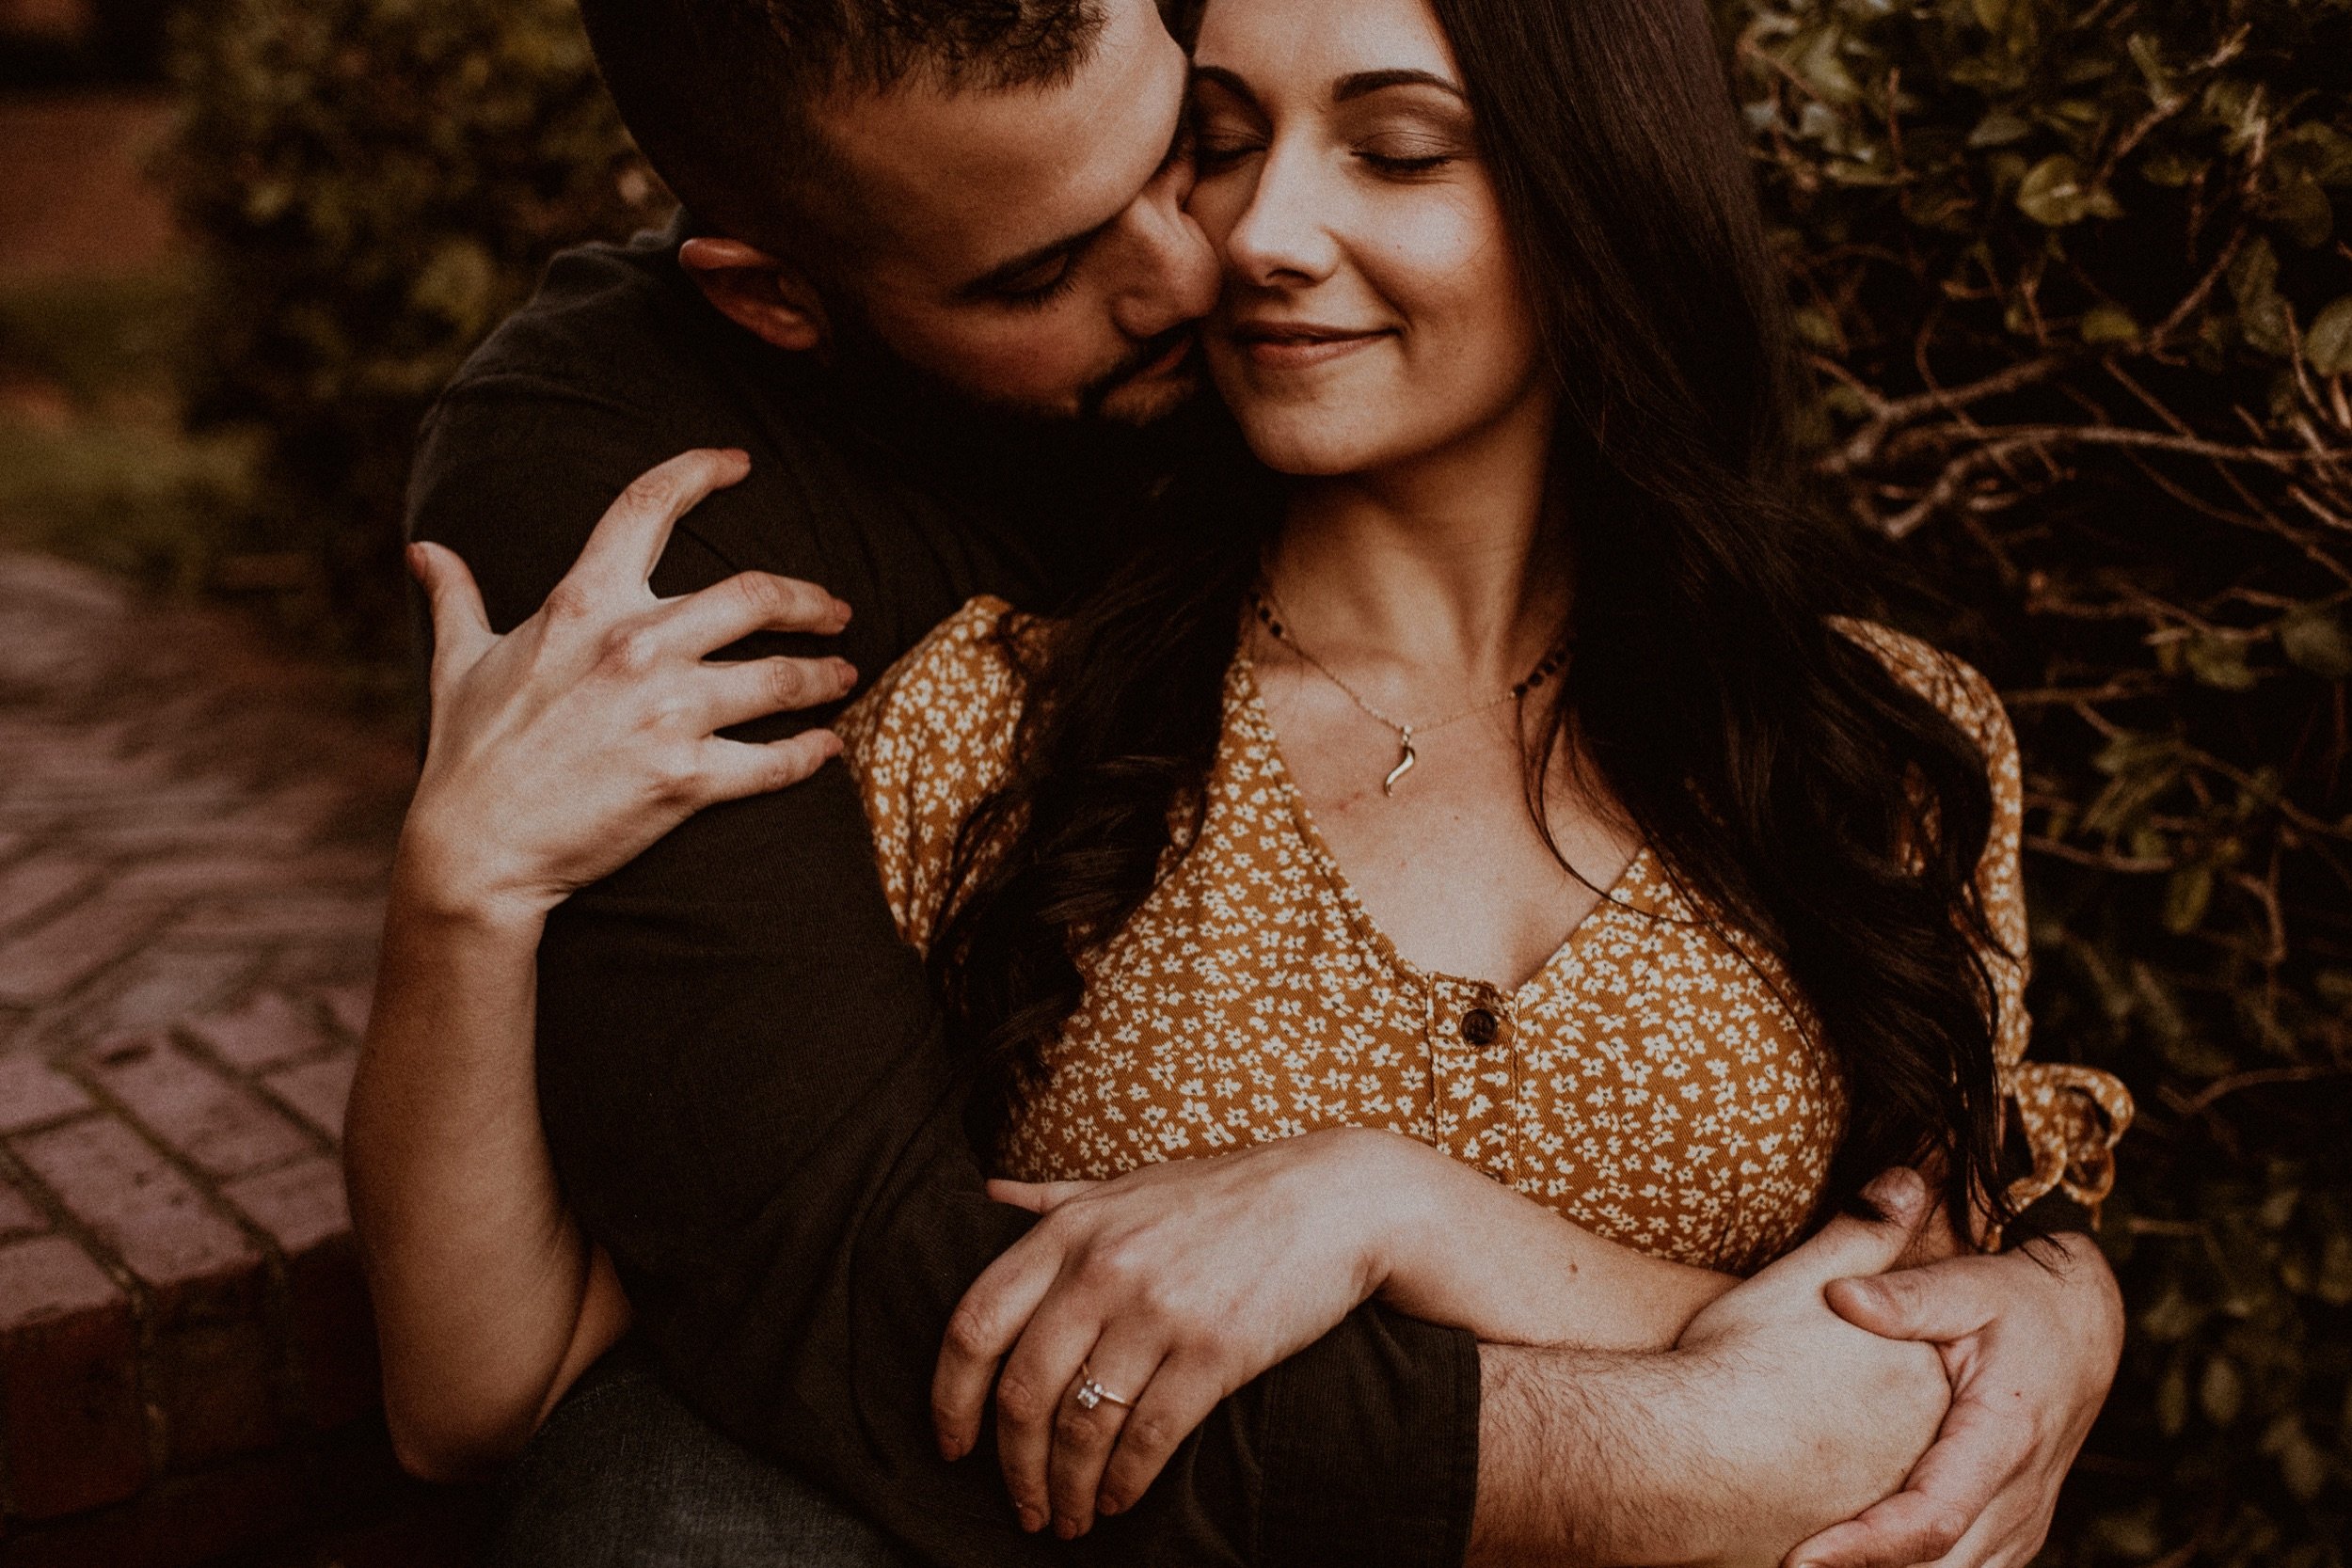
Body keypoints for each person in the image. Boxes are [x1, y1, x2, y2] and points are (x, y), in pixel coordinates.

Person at [350, 0, 2133, 1563]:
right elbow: (574, 1358)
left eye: (1400, 151)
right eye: (1222, 146)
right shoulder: (984, 727)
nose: (1249, 239)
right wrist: (462, 897)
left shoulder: (1884, 752)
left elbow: (1917, 1385)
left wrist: (1392, 1213)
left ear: (1597, 186)